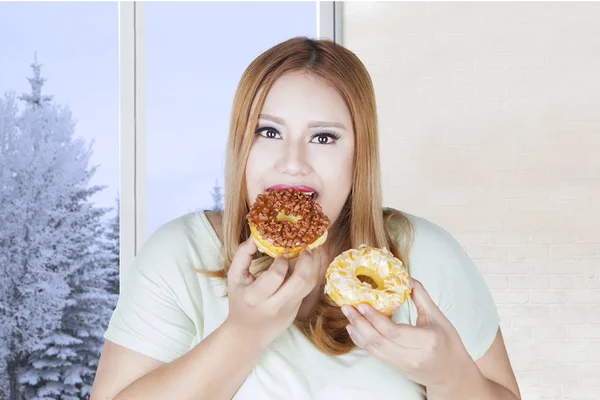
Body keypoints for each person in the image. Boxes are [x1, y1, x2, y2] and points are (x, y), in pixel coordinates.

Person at [91, 37, 521, 400]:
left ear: (360, 155)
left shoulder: (423, 255)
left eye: (323, 137)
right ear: (242, 144)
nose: (293, 163)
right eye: (269, 132)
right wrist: (244, 334)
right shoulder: (180, 255)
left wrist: (452, 376)